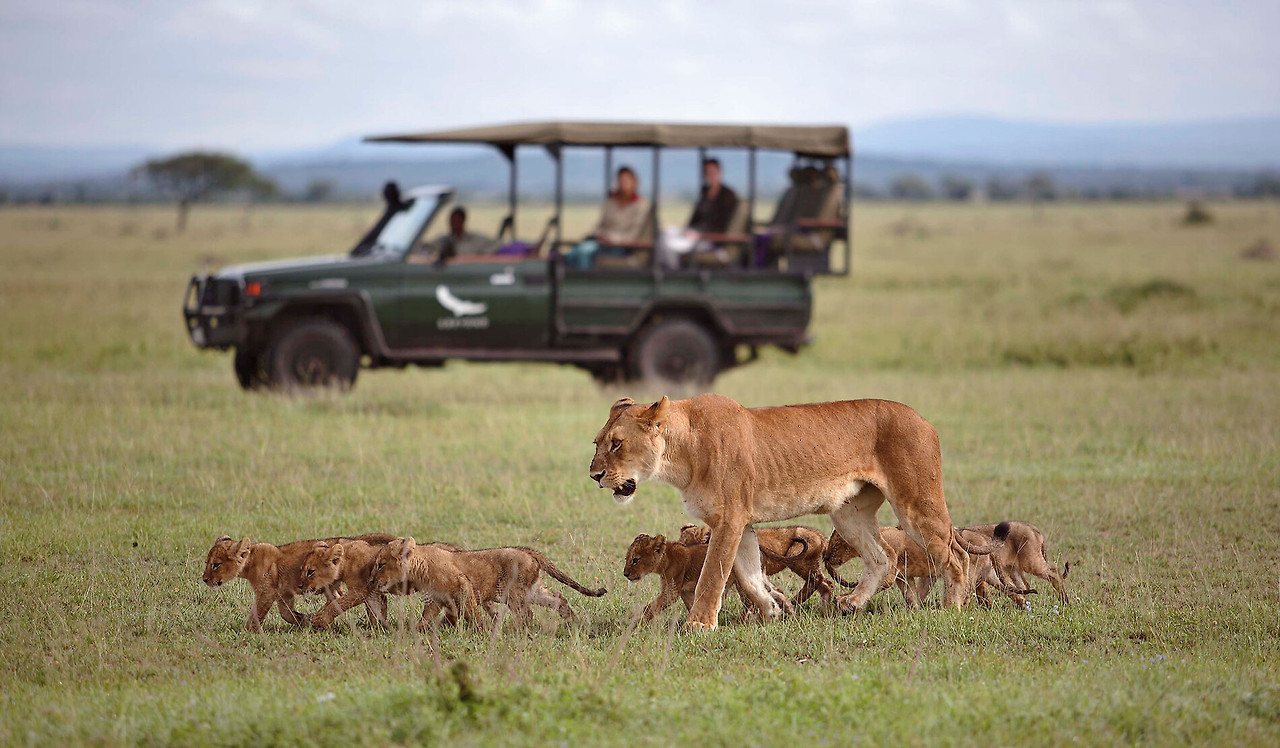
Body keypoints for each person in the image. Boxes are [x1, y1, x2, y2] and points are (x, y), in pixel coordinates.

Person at [567, 166, 651, 268]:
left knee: (584, 252)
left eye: (627, 181)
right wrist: (598, 236)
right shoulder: (611, 202)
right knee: (572, 254)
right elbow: (600, 225)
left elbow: (633, 234)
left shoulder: (641, 206)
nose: (624, 184)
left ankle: (584, 277)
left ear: (634, 182)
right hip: (601, 241)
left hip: (622, 246)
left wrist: (611, 238)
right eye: (621, 180)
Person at [416, 207, 498, 263]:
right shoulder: (444, 240)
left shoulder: (474, 240)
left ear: (463, 221)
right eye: (452, 221)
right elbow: (427, 248)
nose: (453, 224)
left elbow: (496, 246)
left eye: (456, 221)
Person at [687, 158, 739, 234]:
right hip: (697, 232)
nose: (710, 175)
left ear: (719, 171)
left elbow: (726, 221)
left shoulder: (728, 195)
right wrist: (689, 229)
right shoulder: (704, 192)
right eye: (707, 172)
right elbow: (695, 217)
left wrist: (702, 233)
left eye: (712, 171)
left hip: (715, 235)